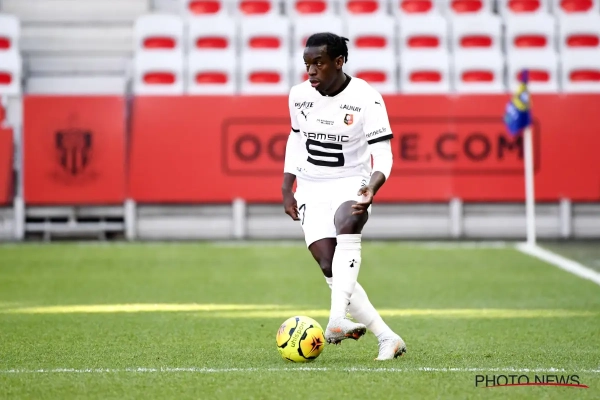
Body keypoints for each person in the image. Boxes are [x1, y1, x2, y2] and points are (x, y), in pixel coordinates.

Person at [281, 32, 406, 361]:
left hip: (352, 180)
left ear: (339, 62)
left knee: (348, 221)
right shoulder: (298, 96)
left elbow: (384, 155)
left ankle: (336, 319)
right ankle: (387, 337)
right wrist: (287, 186)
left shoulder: (367, 98)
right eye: (307, 64)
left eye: (318, 63)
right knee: (328, 265)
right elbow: (296, 140)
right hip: (310, 185)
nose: (311, 71)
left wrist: (372, 187)